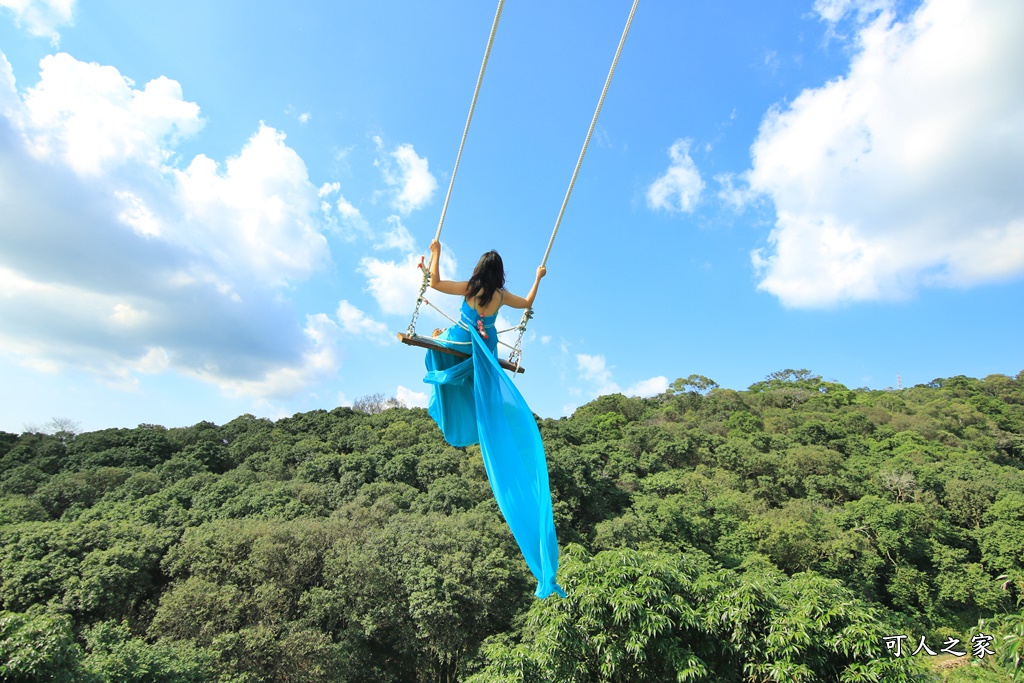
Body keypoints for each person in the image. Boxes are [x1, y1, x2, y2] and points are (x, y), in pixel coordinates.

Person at [422, 239, 564, 599]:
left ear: (478, 270)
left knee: (436, 354)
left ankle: (449, 391)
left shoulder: (472, 287)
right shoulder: (499, 295)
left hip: (465, 345)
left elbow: (436, 284)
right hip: (485, 351)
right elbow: (528, 303)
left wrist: (436, 254)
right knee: (474, 383)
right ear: (499, 274)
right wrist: (539, 276)